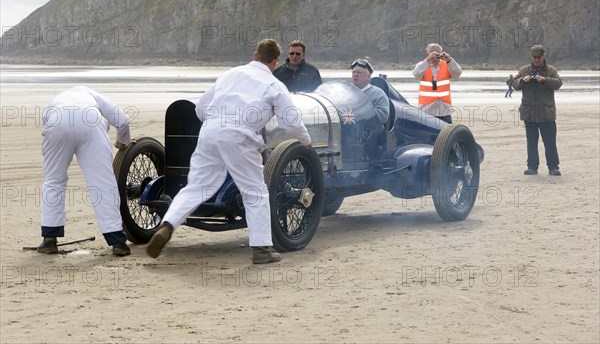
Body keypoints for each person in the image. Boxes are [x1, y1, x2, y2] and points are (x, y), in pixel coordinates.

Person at [146, 39, 312, 264]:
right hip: (240, 137)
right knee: (255, 192)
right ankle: (262, 250)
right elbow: (291, 121)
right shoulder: (274, 85)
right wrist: (305, 141)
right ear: (274, 62)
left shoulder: (229, 74)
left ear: (255, 55)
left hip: (210, 133)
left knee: (197, 186)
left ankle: (168, 224)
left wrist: (216, 123)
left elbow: (201, 108)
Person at [37, 86, 132, 256]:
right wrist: (122, 142)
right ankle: (117, 242)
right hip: (91, 124)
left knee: (54, 181)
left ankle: (49, 240)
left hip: (56, 123)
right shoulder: (93, 94)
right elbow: (123, 121)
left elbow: (46, 126)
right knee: (103, 184)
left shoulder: (57, 100)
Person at [512, 45, 562, 176]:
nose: (536, 60)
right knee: (531, 143)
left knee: (550, 143)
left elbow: (558, 83)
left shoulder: (551, 70)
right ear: (531, 57)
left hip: (547, 113)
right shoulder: (524, 70)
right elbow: (514, 84)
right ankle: (532, 167)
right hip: (530, 113)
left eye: (538, 57)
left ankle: (553, 167)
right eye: (534, 58)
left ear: (543, 56)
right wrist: (523, 80)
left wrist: (545, 80)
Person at [412, 43, 462, 123]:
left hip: (444, 110)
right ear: (428, 54)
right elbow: (416, 74)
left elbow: (457, 73)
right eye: (432, 54)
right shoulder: (422, 65)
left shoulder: (447, 65)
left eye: (437, 54)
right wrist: (428, 60)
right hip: (426, 109)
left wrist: (449, 60)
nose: (435, 57)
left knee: (446, 133)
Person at [350, 58, 389, 124]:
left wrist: (360, 114)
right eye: (354, 72)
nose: (355, 75)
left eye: (359, 72)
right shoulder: (346, 91)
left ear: (368, 77)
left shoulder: (378, 94)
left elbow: (383, 116)